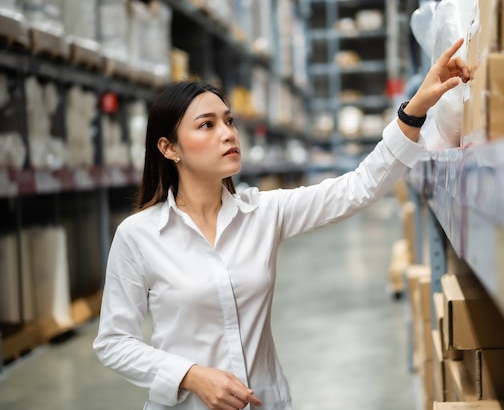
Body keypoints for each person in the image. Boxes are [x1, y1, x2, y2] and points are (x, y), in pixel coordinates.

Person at [93, 38, 470, 410]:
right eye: (206, 126)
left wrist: (417, 107)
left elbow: (358, 188)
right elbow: (113, 341)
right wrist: (191, 375)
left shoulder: (261, 213)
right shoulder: (139, 235)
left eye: (228, 121)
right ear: (169, 148)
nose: (228, 133)